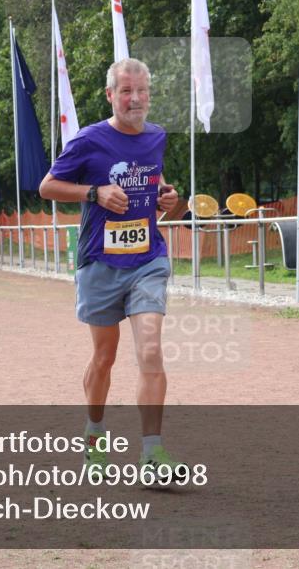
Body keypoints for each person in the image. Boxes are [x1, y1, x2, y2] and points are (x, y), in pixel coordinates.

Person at [40, 58, 184, 481]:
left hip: (147, 259)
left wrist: (168, 200)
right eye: (125, 91)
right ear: (110, 95)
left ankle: (152, 455)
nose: (135, 98)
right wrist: (94, 193)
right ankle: (94, 437)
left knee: (151, 351)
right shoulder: (88, 140)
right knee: (104, 357)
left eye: (141, 91)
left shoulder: (156, 136)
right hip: (100, 263)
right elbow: (47, 186)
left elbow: (154, 182)